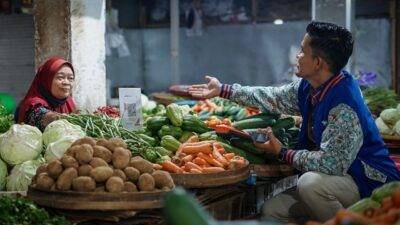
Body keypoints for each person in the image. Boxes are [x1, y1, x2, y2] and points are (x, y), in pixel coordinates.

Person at [188, 21, 400, 223]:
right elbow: (272, 97)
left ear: (318, 63)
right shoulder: (310, 86)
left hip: (366, 181)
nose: (297, 57)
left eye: (302, 51)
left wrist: (282, 152)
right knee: (273, 211)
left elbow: (332, 164)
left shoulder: (344, 105)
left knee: (309, 185)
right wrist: (223, 89)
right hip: (338, 178)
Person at [15, 56, 76, 131]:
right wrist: (60, 118)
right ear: (46, 80)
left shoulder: (68, 102)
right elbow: (41, 116)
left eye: (70, 78)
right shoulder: (33, 104)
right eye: (60, 77)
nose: (66, 82)